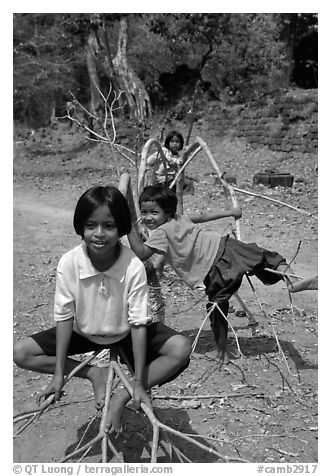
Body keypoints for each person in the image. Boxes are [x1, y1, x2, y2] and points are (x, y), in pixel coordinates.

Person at [13, 185, 191, 434]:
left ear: (121, 228)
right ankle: (94, 374)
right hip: (84, 331)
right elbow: (64, 317)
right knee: (21, 352)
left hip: (126, 330)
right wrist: (58, 375)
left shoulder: (132, 266)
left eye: (108, 226)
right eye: (90, 225)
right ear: (80, 227)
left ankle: (122, 395)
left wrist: (138, 384)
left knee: (181, 348)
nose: (99, 233)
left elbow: (139, 323)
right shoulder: (70, 262)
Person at [126, 184, 318, 364]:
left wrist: (128, 229)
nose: (148, 217)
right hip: (226, 245)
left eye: (154, 212)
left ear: (167, 212)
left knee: (217, 306)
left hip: (213, 268)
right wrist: (229, 212)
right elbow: (202, 216)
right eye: (144, 212)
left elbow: (142, 253)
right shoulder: (179, 218)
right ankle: (292, 281)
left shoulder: (160, 233)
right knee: (266, 258)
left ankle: (221, 351)